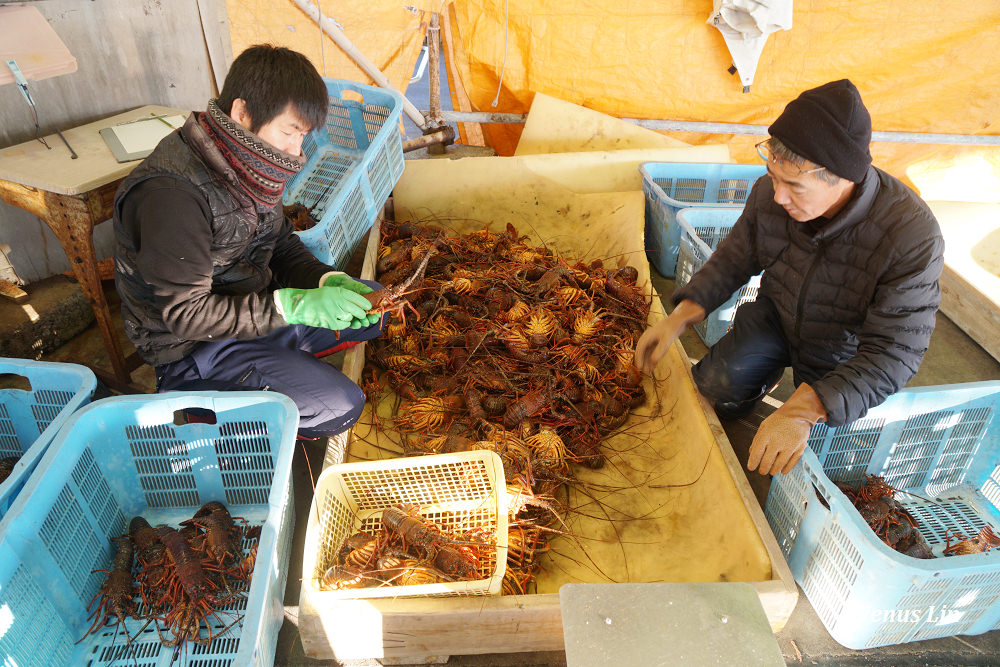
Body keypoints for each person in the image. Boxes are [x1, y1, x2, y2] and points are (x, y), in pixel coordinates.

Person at [635, 79, 944, 476]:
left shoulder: (910, 234)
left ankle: (804, 401)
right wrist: (680, 317)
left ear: (843, 177)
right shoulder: (771, 194)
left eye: (794, 186)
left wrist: (801, 412)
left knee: (811, 453)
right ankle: (762, 381)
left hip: (842, 351)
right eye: (773, 176)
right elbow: (734, 257)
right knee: (715, 387)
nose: (778, 196)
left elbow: (894, 353)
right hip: (776, 315)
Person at [113, 44, 384, 439]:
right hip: (194, 347)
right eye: (290, 132)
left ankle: (280, 364)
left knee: (374, 303)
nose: (297, 152)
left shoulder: (247, 162)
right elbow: (187, 314)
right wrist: (294, 306)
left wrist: (325, 281)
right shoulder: (170, 195)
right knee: (341, 407)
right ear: (242, 113)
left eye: (303, 136)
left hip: (253, 309)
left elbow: (282, 243)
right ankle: (194, 394)